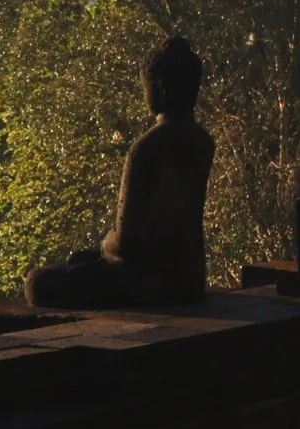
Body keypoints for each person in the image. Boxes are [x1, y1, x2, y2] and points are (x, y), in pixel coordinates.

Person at [26, 37, 215, 309]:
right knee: (80, 261)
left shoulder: (146, 148)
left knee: (37, 282)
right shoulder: (203, 141)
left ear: (160, 89)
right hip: (188, 277)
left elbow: (128, 242)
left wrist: (105, 246)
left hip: (147, 283)